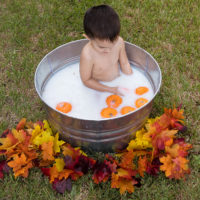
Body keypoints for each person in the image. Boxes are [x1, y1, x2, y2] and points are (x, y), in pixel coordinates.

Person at [80, 4, 133, 95]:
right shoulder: (88, 55)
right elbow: (86, 80)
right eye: (102, 47)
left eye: (112, 45)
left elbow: (124, 63)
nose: (108, 51)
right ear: (88, 38)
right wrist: (110, 89)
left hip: (117, 80)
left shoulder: (119, 42)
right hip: (97, 88)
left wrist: (131, 80)